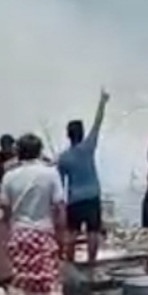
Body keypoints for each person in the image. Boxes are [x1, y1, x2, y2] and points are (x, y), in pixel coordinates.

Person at [0, 133, 66, 295]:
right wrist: (62, 239)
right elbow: (60, 208)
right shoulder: (50, 173)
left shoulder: (9, 176)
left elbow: (6, 211)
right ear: (40, 151)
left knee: (21, 289)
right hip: (44, 234)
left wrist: (9, 235)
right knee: (51, 290)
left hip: (19, 235)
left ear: (18, 152)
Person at [57, 88, 109, 265]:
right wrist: (102, 102)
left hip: (74, 199)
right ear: (82, 133)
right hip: (92, 196)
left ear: (68, 135)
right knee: (93, 231)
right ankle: (91, 261)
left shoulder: (63, 158)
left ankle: (70, 262)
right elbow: (98, 122)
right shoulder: (88, 146)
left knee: (72, 232)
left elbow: (59, 183)